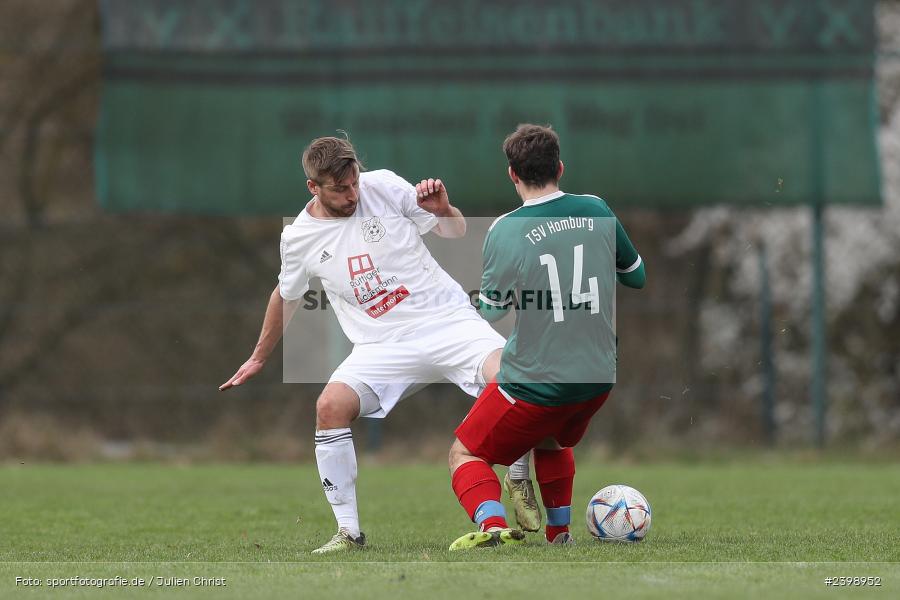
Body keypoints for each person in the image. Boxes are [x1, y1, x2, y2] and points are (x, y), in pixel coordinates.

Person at [219, 135, 539, 553]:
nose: (353, 194)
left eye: (354, 182)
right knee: (329, 407)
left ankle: (517, 474)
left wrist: (443, 209)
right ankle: (349, 532)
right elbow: (287, 294)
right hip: (380, 347)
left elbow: (454, 230)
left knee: (511, 378)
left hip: (448, 321)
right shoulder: (298, 237)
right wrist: (259, 356)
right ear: (313, 187)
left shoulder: (383, 185)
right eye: (340, 189)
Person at [447, 124, 646, 550]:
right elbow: (638, 276)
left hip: (535, 381)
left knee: (464, 453)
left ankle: (492, 526)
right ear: (560, 166)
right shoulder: (596, 208)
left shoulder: (505, 228)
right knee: (551, 436)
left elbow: (494, 309)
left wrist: (473, 299)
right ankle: (560, 535)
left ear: (512, 175)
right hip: (597, 377)